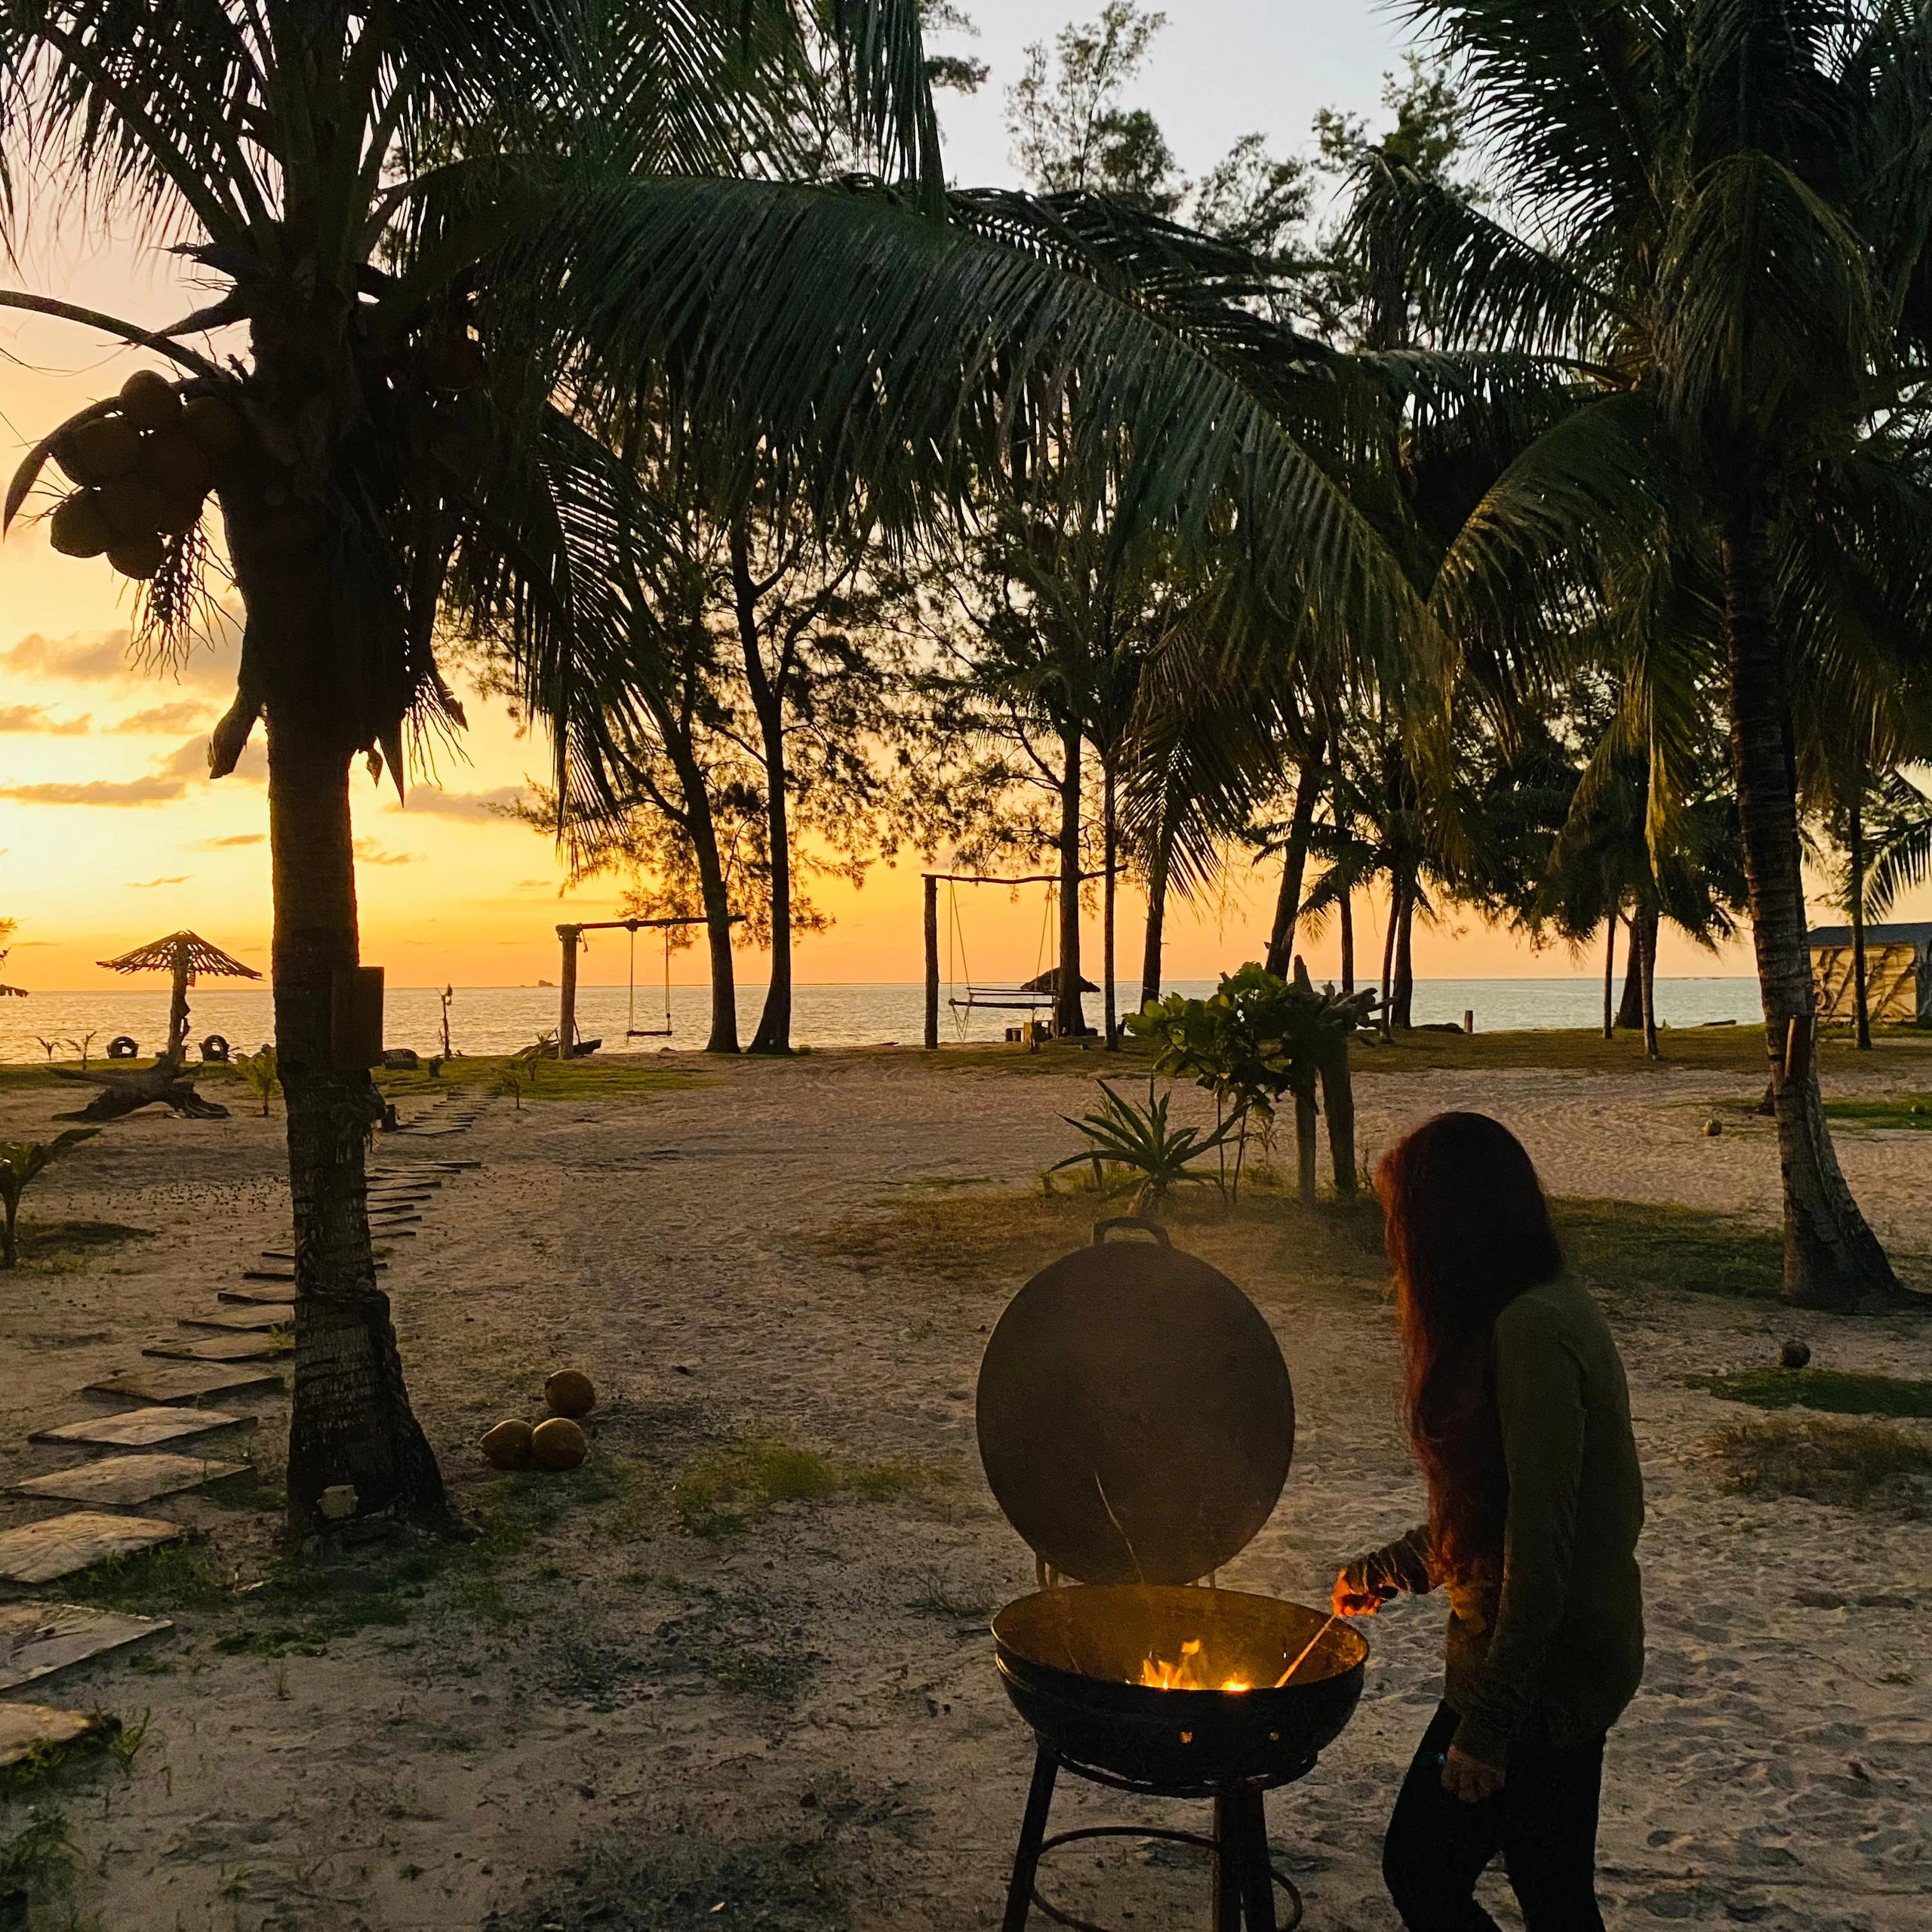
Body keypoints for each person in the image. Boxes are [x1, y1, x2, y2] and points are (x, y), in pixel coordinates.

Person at [1334, 1111, 1644, 1931]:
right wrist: (1390, 1570)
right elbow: (1496, 1515)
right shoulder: (1543, 1302)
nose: (1395, 1246)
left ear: (1448, 1228)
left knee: (1421, 1869)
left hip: (1541, 1676)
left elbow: (1541, 1549)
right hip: (1564, 1661)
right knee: (1552, 1890)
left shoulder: (1532, 1331)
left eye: (1401, 1222)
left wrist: (1490, 1728)